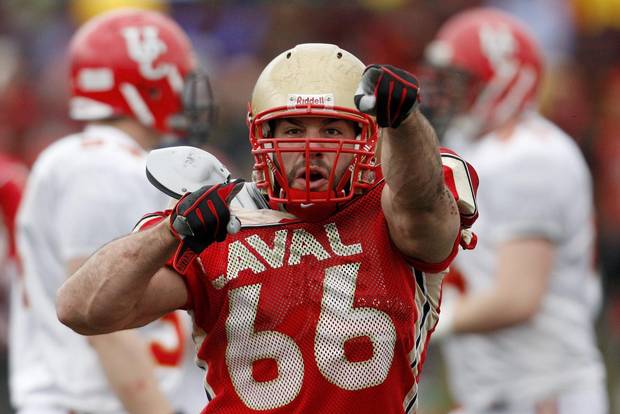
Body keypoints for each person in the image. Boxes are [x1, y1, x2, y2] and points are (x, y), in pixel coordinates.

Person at [56, 43, 479, 414]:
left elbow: (420, 205)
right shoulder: (225, 219)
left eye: (331, 130)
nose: (311, 149)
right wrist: (170, 229)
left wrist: (404, 121)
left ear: (369, 136)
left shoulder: (393, 206)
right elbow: (82, 310)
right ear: (261, 136)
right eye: (293, 130)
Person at [9, 9, 215, 414]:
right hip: (95, 403)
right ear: (148, 82)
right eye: (179, 74)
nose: (189, 89)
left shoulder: (114, 162)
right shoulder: (98, 166)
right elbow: (103, 325)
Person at [422, 8, 608, 414]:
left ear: (503, 81)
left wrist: (430, 321)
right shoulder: (482, 150)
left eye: (458, 83)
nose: (445, 96)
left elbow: (518, 296)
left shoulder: (529, 156)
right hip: (502, 392)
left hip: (542, 392)